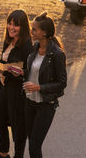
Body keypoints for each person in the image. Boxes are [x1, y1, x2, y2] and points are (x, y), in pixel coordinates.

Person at [0, 9, 33, 158]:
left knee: (18, 126)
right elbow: (5, 63)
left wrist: (13, 71)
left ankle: (18, 155)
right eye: (9, 23)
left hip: (18, 91)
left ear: (23, 27)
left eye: (16, 25)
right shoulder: (8, 41)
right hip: (3, 85)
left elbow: (28, 71)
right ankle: (3, 151)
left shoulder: (27, 46)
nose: (11, 27)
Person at [23, 12, 67, 158]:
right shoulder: (34, 48)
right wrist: (20, 74)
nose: (31, 31)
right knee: (32, 143)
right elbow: (31, 72)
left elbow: (62, 83)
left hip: (46, 105)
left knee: (34, 146)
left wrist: (39, 87)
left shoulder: (57, 54)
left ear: (44, 33)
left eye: (34, 29)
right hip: (30, 102)